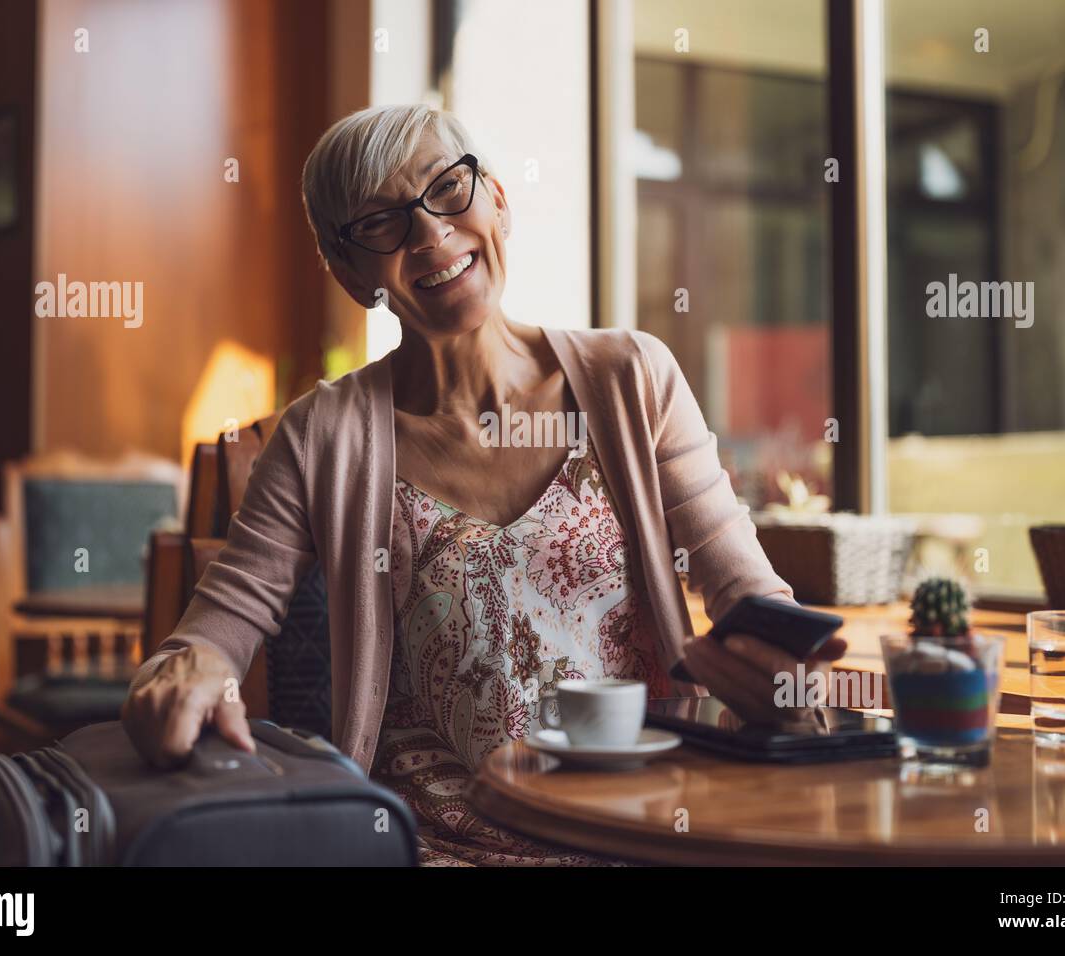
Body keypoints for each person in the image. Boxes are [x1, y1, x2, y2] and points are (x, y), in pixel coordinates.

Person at [122, 104, 846, 865]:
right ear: (348, 270)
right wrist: (188, 672)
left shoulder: (633, 379)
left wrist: (786, 686)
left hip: (645, 834)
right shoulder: (319, 438)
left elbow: (750, 596)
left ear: (497, 199)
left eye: (448, 189)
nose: (431, 233)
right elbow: (212, 633)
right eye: (380, 222)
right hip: (438, 849)